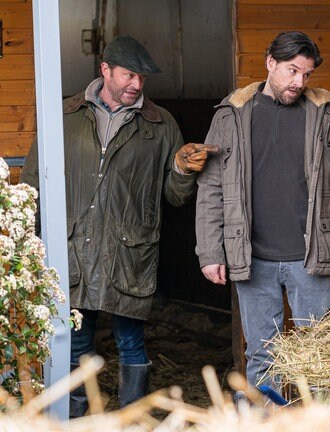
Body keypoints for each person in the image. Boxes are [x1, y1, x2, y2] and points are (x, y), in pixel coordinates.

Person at [20, 35, 217, 416]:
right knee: (74, 341)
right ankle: (75, 419)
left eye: (142, 78)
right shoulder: (63, 116)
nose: (136, 85)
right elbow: (33, 179)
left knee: (131, 341)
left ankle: (133, 419)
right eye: (129, 75)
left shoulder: (160, 125)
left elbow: (175, 196)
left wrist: (180, 169)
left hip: (128, 251)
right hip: (74, 247)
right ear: (105, 70)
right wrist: (32, 241)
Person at [195, 31, 330, 390]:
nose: (299, 82)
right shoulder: (232, 116)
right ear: (270, 62)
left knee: (319, 354)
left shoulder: (326, 116)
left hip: (312, 256)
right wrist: (210, 251)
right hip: (253, 256)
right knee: (261, 353)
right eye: (292, 71)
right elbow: (211, 186)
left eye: (306, 75)